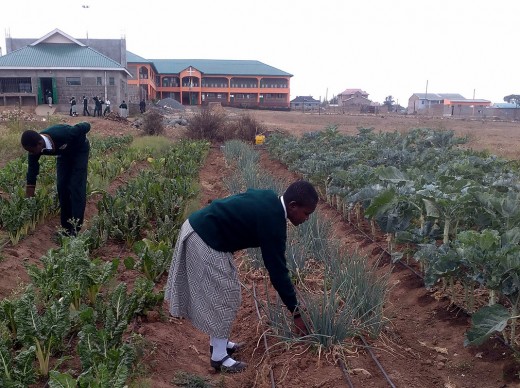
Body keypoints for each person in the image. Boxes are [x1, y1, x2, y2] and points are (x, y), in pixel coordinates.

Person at [164, 181, 318, 373]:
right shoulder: (273, 220)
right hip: (204, 236)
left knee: (227, 293)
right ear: (293, 205)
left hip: (201, 229)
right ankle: (219, 357)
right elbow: (277, 271)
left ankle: (219, 345)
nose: (307, 219)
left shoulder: (270, 199)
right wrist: (296, 312)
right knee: (226, 295)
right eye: (306, 213)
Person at [21, 122, 91, 236]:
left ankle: (75, 228)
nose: (31, 153)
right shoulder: (35, 148)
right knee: (62, 186)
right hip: (64, 154)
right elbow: (32, 171)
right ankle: (66, 228)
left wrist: (77, 133)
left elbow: (86, 126)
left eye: (31, 151)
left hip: (79, 151)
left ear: (39, 144)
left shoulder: (63, 133)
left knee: (76, 187)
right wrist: (29, 196)